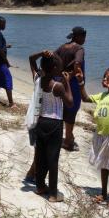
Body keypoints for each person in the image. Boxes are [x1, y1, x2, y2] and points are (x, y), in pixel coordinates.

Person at [75, 67, 109, 211]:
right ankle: (104, 193)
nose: (106, 80)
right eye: (104, 77)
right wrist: (81, 82)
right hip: (100, 134)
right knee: (104, 166)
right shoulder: (102, 95)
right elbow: (85, 98)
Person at [30, 51, 73, 202]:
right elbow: (69, 102)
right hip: (54, 123)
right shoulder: (58, 86)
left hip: (40, 122)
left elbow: (31, 59)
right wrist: (67, 82)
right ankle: (53, 194)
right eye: (59, 67)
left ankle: (40, 186)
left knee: (41, 156)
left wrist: (42, 53)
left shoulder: (38, 80)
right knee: (53, 159)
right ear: (55, 68)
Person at [55, 26, 87, 151]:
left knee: (60, 109)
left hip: (60, 82)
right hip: (72, 84)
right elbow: (78, 63)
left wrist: (59, 73)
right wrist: (71, 76)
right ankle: (68, 140)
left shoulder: (62, 47)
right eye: (84, 36)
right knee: (71, 110)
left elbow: (53, 57)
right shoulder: (79, 49)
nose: (85, 39)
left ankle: (62, 136)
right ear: (78, 37)